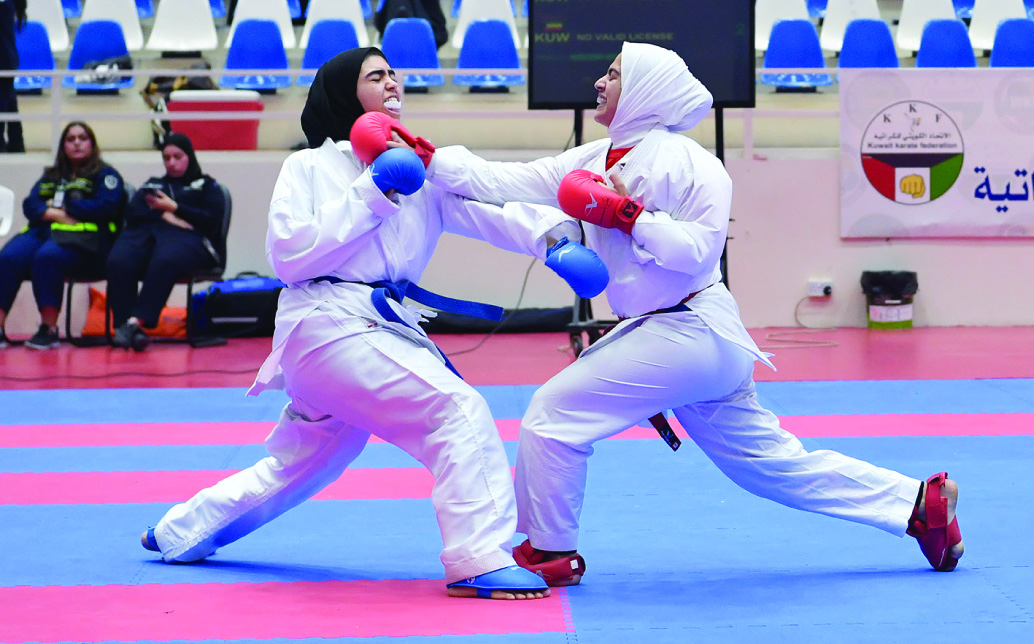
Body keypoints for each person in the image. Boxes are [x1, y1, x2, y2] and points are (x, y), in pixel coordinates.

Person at [419, 42, 964, 585]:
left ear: (645, 88)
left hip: (692, 329)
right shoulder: (587, 160)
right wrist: (425, 159)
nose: (599, 84)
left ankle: (550, 550)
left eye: (613, 74)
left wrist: (629, 215)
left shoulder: (694, 164)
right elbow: (498, 181)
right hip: (673, 337)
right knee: (769, 466)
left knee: (551, 412)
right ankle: (918, 504)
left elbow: (699, 253)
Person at [139, 48, 605, 600]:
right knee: (455, 412)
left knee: (300, 464)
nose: (392, 83)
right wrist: (373, 190)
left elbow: (490, 211)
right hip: (324, 322)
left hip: (375, 329)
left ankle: (179, 532)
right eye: (375, 75)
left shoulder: (418, 168)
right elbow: (289, 256)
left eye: (393, 74)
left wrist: (553, 242)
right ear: (344, 92)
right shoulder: (309, 167)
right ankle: (478, 558)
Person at [0, 121, 124, 349]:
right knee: (8, 257)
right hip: (43, 232)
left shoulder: (106, 175)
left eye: (82, 138)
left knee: (47, 258)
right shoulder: (52, 175)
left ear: (92, 144)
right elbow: (30, 204)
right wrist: (55, 214)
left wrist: (65, 206)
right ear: (63, 146)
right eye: (70, 139)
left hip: (86, 243)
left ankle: (49, 329)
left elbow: (104, 207)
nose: (76, 143)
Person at [106, 132, 225, 352]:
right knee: (119, 259)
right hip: (151, 239)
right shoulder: (154, 185)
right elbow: (133, 211)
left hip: (193, 244)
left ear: (189, 156)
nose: (171, 162)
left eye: (177, 157)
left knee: (167, 257)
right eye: (166, 158)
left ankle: (133, 323)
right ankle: (128, 329)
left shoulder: (206, 186)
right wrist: (166, 215)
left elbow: (211, 220)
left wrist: (176, 208)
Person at [0, 0, 26, 153]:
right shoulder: (7, 5)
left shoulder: (4, 6)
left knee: (4, 104)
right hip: (7, 59)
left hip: (3, 60)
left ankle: (7, 145)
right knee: (9, 102)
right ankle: (17, 144)